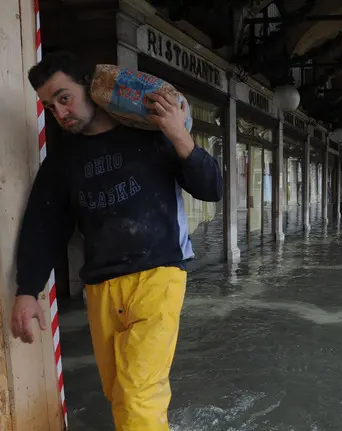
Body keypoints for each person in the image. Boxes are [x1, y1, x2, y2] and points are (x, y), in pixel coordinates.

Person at [11, 52, 223, 431]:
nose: (59, 113)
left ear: (92, 88)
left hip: (157, 276)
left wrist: (180, 136)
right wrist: (27, 290)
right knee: (118, 393)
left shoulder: (151, 137)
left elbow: (211, 189)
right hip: (101, 287)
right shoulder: (61, 162)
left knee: (138, 392)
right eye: (49, 105)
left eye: (64, 97)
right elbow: (44, 225)